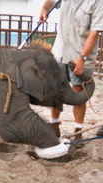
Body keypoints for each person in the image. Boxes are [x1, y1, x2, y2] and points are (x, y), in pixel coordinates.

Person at [39, 0, 103, 144]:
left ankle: (78, 131)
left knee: (78, 91)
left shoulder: (97, 2)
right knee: (55, 90)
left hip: (80, 53)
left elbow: (95, 32)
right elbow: (51, 1)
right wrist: (44, 9)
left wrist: (82, 58)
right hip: (60, 52)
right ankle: (54, 125)